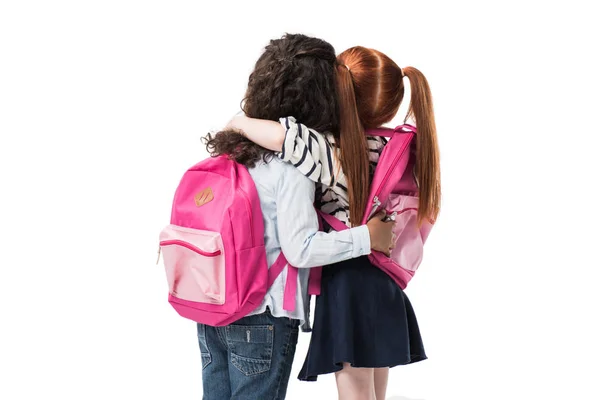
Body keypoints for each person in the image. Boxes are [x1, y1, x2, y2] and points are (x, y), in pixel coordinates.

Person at [227, 46, 441, 400]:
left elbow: (283, 137)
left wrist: (238, 123)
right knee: (373, 394)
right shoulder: (400, 149)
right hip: (383, 281)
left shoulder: (334, 149)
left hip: (348, 282)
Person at [199, 36, 397, 400]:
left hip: (214, 302)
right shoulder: (295, 166)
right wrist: (367, 237)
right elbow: (300, 250)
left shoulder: (235, 151)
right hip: (263, 310)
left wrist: (239, 121)